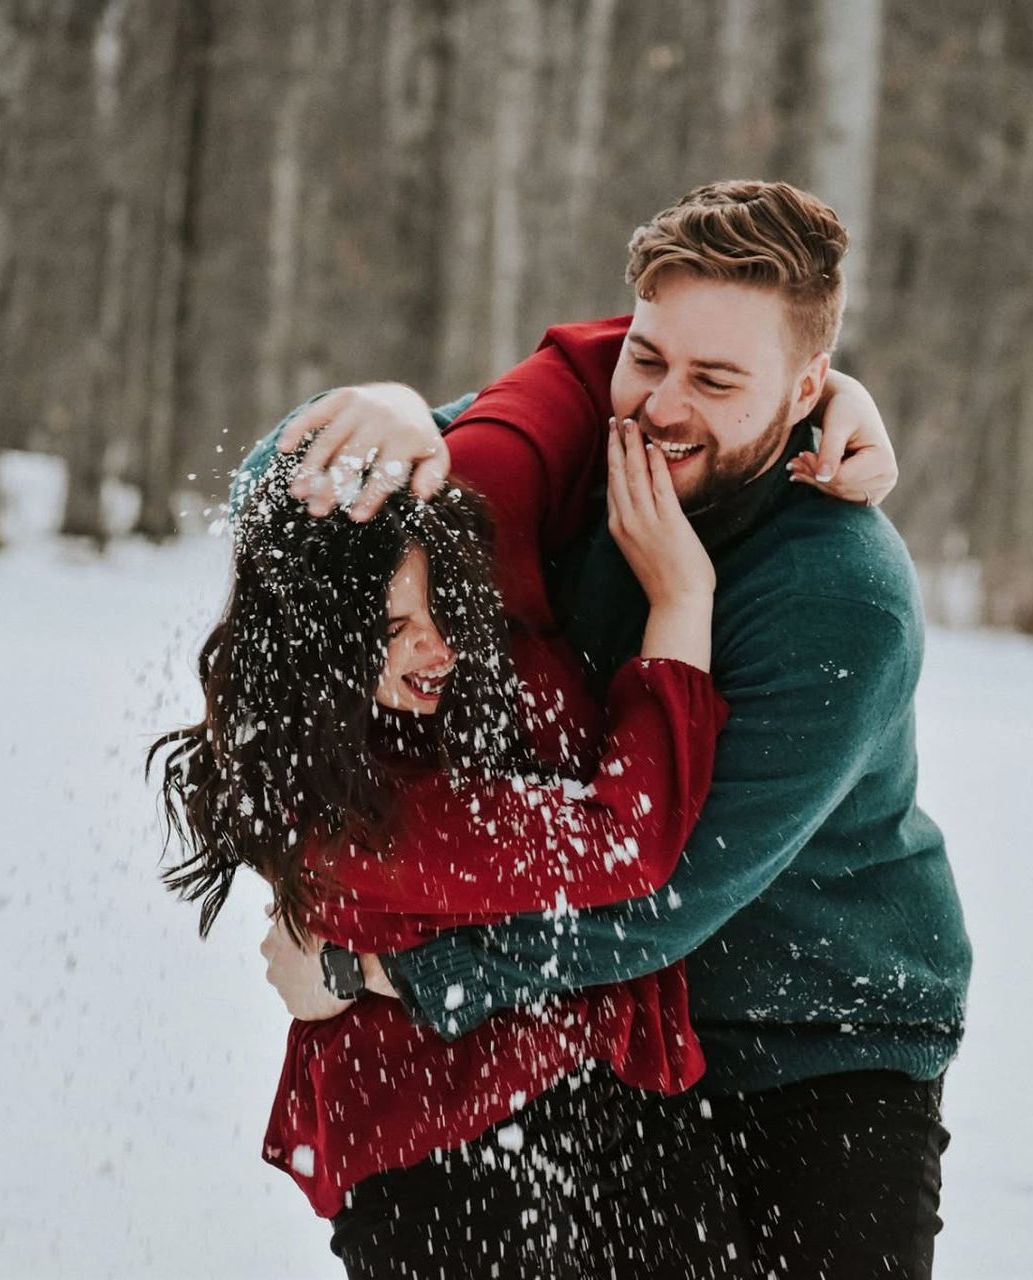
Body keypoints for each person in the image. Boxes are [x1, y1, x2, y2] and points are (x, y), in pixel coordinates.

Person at [257, 180, 973, 1278]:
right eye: (648, 360)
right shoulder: (582, 451)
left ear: (807, 390)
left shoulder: (841, 596)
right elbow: (277, 498)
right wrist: (396, 409)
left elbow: (668, 896)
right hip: (606, 1010)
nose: (662, 406)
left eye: (719, 379)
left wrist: (378, 970)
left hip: (819, 1026)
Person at [153, 424, 749, 1277]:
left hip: (562, 1120)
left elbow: (549, 393)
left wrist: (824, 392)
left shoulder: (396, 727)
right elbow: (625, 839)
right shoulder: (357, 826)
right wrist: (683, 600)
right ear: (318, 642)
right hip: (448, 1159)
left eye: (440, 612)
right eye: (394, 625)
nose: (439, 649)